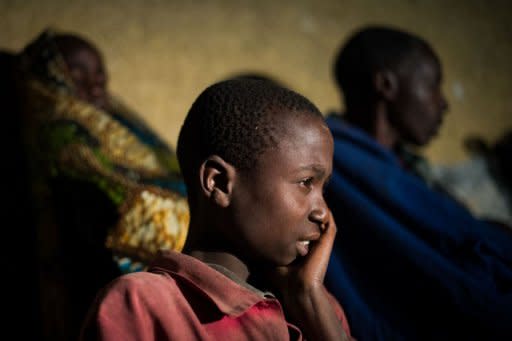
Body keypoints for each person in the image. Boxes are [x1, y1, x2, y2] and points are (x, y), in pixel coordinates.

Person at [79, 78, 354, 340]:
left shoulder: (316, 306)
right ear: (218, 183)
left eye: (323, 187)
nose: (322, 211)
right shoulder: (143, 304)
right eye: (306, 182)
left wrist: (314, 306)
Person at [323, 25, 512, 340]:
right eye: (434, 85)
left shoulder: (408, 170)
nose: (443, 103)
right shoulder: (334, 160)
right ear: (386, 85)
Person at [15, 28, 189, 341]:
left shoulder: (117, 128)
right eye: (76, 72)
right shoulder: (61, 135)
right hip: (94, 274)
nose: (94, 83)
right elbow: (117, 197)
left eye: (98, 72)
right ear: (49, 77)